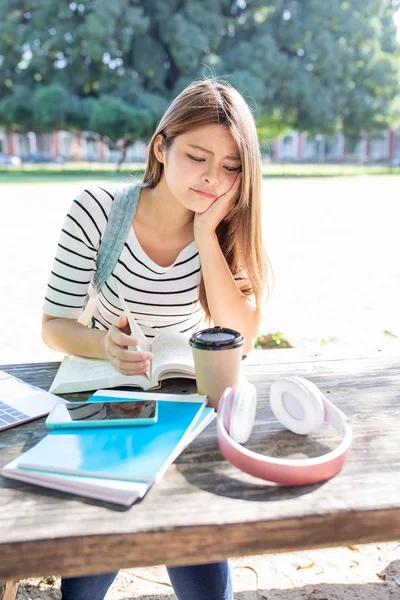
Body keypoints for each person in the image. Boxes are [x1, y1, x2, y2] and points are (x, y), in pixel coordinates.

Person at [41, 77, 270, 600]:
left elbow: (243, 338)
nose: (213, 178)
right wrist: (105, 346)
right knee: (85, 584)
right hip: (108, 411)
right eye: (197, 156)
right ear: (160, 146)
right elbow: (53, 326)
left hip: (186, 411)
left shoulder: (225, 223)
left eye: (231, 166)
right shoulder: (97, 211)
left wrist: (208, 233)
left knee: (207, 585)